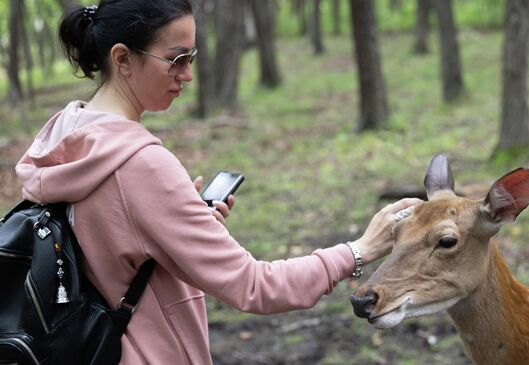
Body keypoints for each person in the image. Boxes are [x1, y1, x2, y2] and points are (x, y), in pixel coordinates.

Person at [15, 1, 421, 364]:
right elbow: (255, 286)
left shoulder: (64, 136)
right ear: (122, 58)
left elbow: (102, 247)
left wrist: (176, 224)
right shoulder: (142, 166)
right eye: (175, 59)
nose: (187, 75)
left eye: (191, 57)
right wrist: (359, 250)